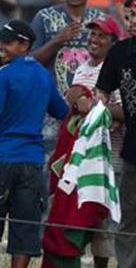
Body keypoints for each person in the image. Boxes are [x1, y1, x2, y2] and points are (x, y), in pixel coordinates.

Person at [0, 20, 69, 268]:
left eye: (7, 42)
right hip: (32, 161)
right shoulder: (44, 75)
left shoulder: (5, 73)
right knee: (25, 223)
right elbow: (62, 111)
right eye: (0, 40)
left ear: (24, 45)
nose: (1, 45)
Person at [31, 0, 105, 158]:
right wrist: (57, 39)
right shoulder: (44, 17)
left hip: (88, 106)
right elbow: (29, 62)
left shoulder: (101, 21)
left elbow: (111, 61)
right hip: (51, 108)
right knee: (52, 162)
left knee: (85, 164)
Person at [70, 16, 124, 268]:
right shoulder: (81, 68)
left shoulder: (119, 69)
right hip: (82, 157)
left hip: (109, 160)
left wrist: (89, 106)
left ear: (113, 42)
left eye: (101, 35)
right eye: (92, 34)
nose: (94, 39)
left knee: (103, 228)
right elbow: (72, 104)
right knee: (78, 220)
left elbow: (122, 114)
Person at [95, 0, 136, 268]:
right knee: (128, 218)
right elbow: (102, 90)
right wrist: (97, 109)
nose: (132, 22)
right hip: (132, 149)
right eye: (130, 16)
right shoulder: (120, 52)